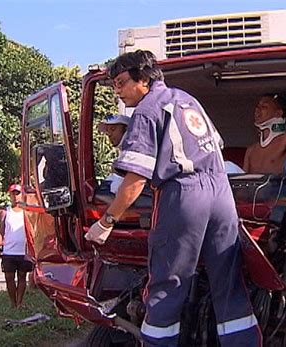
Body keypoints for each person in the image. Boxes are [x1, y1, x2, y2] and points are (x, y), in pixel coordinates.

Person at [84, 50, 262, 346]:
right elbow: (216, 144)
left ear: (143, 79)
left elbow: (136, 179)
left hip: (183, 196)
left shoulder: (146, 111)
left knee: (168, 284)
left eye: (121, 83)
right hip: (220, 192)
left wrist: (106, 222)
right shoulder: (186, 99)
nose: (118, 91)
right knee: (229, 282)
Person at [0, 184, 34, 308]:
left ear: (22, 195)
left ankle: (20, 302)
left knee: (22, 277)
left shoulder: (27, 212)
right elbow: (1, 231)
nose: (15, 196)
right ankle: (13, 302)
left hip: (23, 251)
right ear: (10, 195)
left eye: (18, 193)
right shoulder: (5, 212)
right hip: (9, 251)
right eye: (13, 193)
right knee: (9, 277)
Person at [243, 94, 286, 174]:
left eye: (264, 107)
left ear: (278, 113)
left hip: (281, 186)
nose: (257, 109)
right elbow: (243, 180)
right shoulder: (250, 151)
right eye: (258, 106)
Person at [97, 114, 131, 194]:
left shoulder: (134, 155)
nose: (109, 134)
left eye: (113, 129)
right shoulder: (122, 155)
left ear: (126, 129)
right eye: (107, 131)